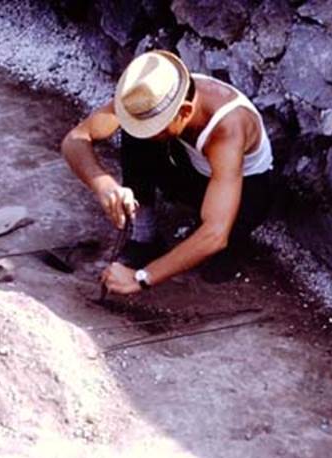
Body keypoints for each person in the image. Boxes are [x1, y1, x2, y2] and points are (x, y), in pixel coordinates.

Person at [61, 49, 274, 295]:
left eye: (156, 126)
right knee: (134, 129)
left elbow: (215, 233)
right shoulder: (152, 93)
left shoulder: (228, 128)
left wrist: (141, 278)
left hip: (246, 190)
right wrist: (105, 185)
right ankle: (144, 234)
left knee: (216, 245)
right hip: (194, 169)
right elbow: (75, 139)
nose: (150, 130)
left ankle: (233, 244)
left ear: (183, 112)